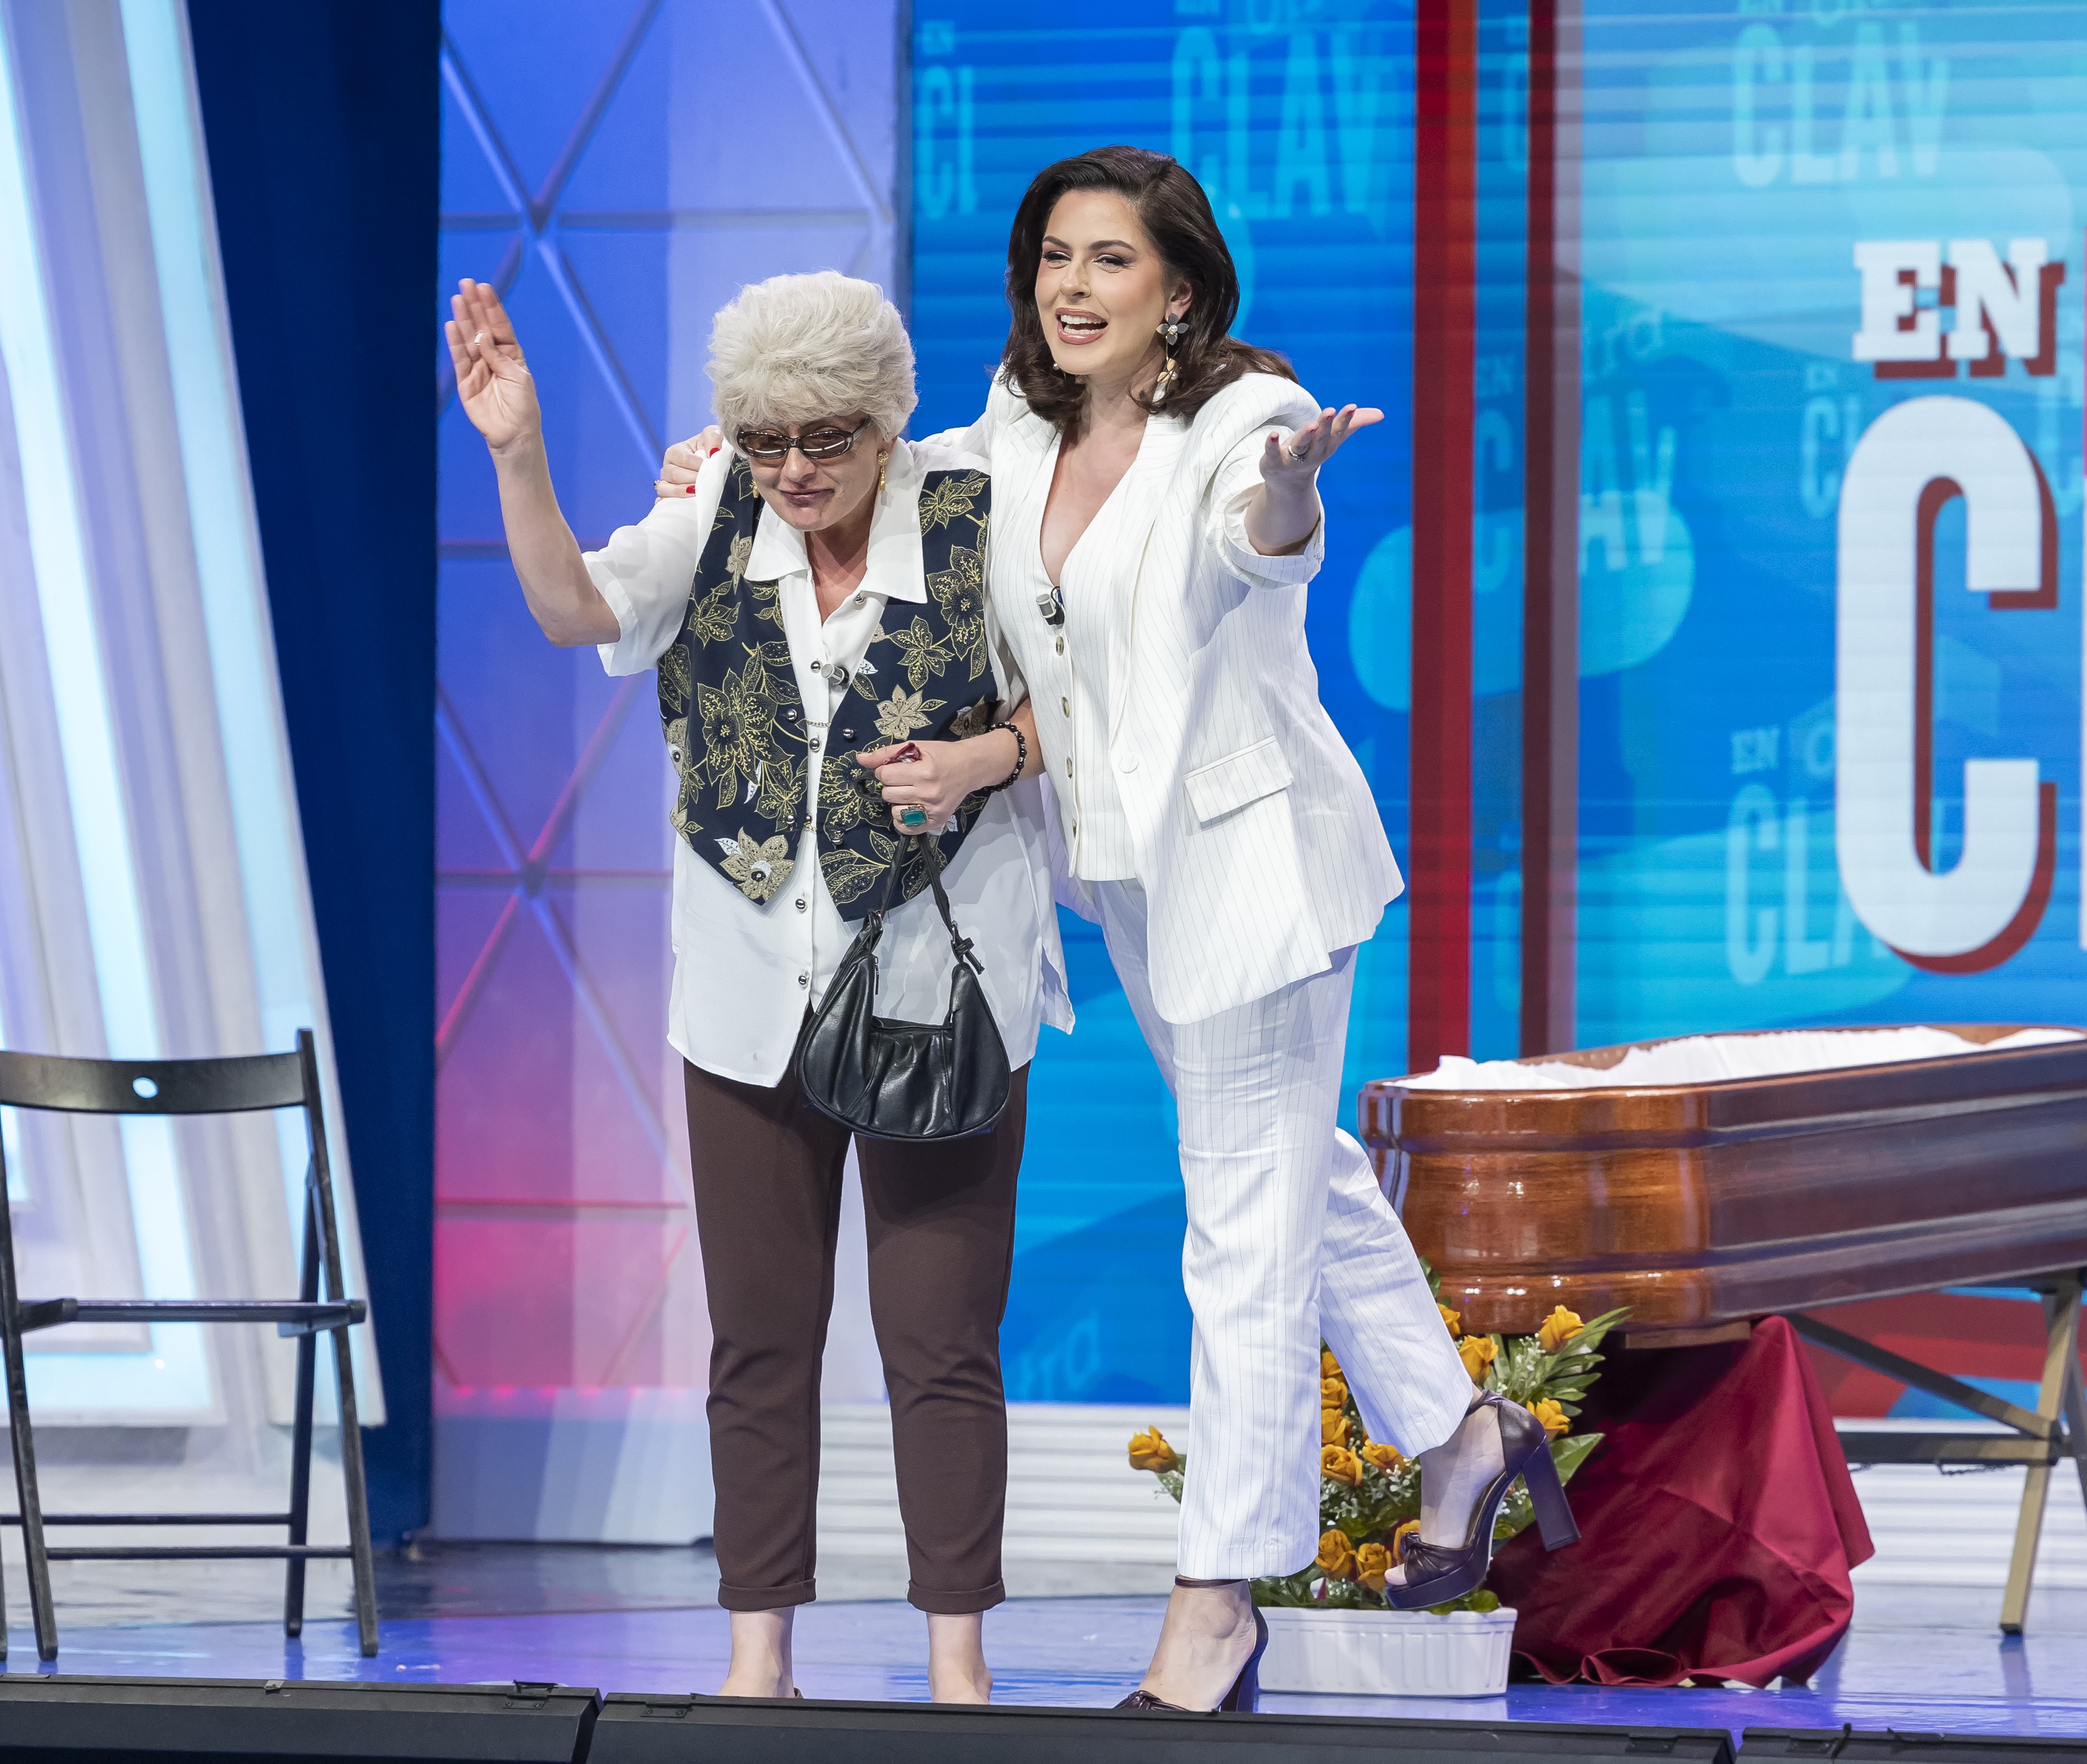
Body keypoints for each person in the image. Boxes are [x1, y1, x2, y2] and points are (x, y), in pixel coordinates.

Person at [665, 147, 1579, 1710]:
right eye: (1054, 257)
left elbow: (1251, 539)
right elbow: (890, 470)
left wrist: (1291, 493)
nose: (1074, 287)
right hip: (1131, 881)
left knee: (1241, 1229)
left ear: (1178, 290)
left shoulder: (1239, 417)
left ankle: (1218, 1599)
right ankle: (1461, 1435)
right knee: (1293, 1176)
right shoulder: (1013, 425)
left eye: (1110, 260)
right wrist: (738, 460)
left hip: (1252, 870)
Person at [445, 269, 1065, 1703]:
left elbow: (1082, 703)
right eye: (767, 438)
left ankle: (957, 1670)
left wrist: (981, 757)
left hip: (933, 997)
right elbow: (573, 608)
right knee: (760, 1343)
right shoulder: (712, 502)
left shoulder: (975, 514)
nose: (793, 469)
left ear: (886, 421)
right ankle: (757, 1658)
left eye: (824, 440)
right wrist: (518, 452)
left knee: (940, 1343)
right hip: (743, 999)